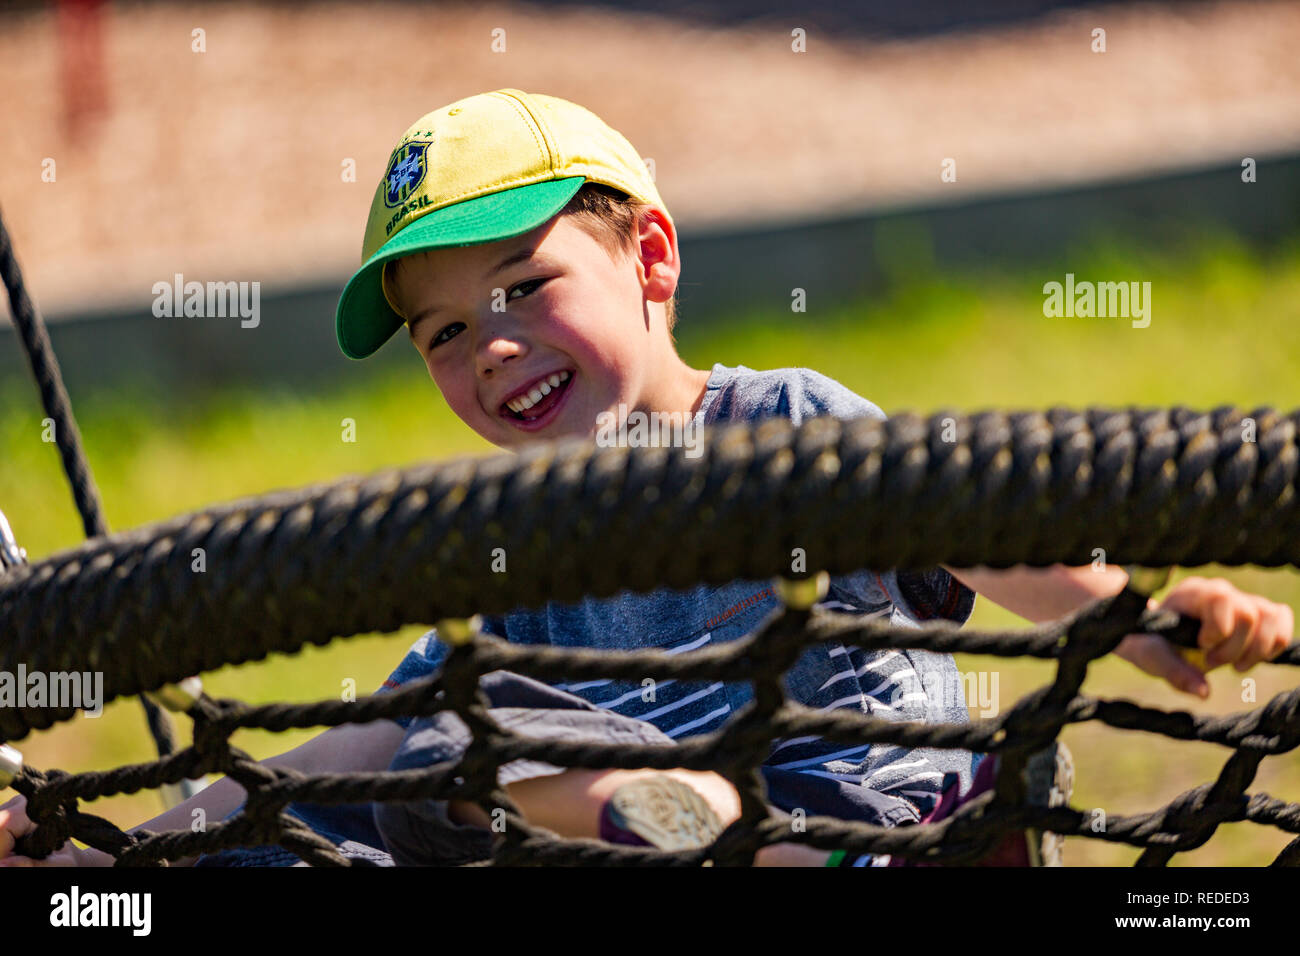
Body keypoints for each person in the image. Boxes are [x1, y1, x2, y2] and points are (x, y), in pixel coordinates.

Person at [1, 90, 1292, 868]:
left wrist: (1135, 619)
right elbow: (350, 744)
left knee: (479, 718)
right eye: (446, 331)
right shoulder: (507, 545)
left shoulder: (778, 424)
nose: (491, 344)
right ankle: (660, 817)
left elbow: (981, 535)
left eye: (524, 287)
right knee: (425, 746)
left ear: (652, 261)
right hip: (623, 843)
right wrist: (129, 835)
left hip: (861, 816)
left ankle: (735, 836)